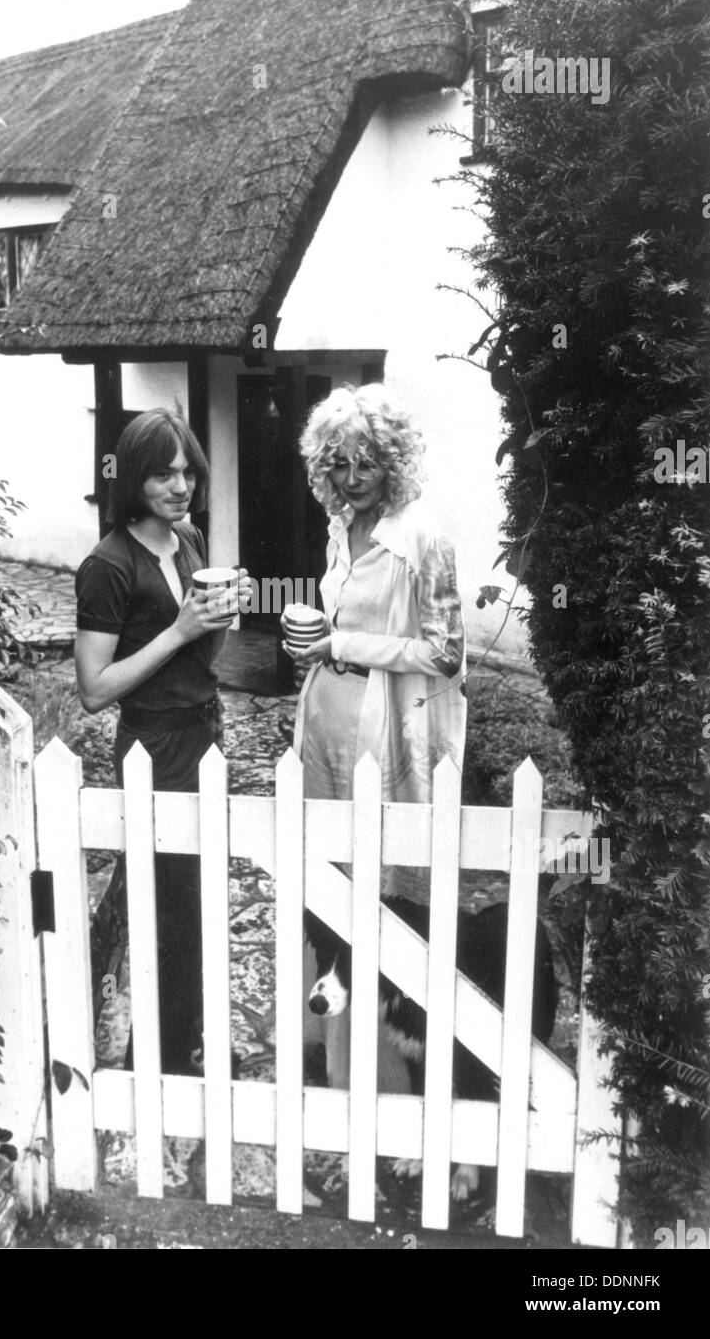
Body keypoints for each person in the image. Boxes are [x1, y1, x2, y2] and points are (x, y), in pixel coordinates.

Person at [285, 384, 467, 1091]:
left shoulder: (424, 534)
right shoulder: (342, 527)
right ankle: (332, 1064)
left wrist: (347, 643)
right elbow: (344, 629)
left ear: (393, 461)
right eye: (336, 465)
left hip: (386, 735)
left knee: (387, 890)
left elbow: (445, 653)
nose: (350, 479)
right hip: (326, 724)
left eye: (364, 464)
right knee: (329, 886)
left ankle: (391, 1074)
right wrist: (316, 641)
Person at [74, 408, 249, 1076]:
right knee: (170, 904)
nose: (180, 487)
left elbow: (203, 659)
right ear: (132, 482)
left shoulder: (189, 538)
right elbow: (94, 687)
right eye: (161, 476)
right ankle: (170, 1054)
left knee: (201, 895)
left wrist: (217, 620)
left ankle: (190, 1030)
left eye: (187, 472)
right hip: (153, 745)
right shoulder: (108, 564)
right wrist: (177, 630)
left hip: (205, 733)